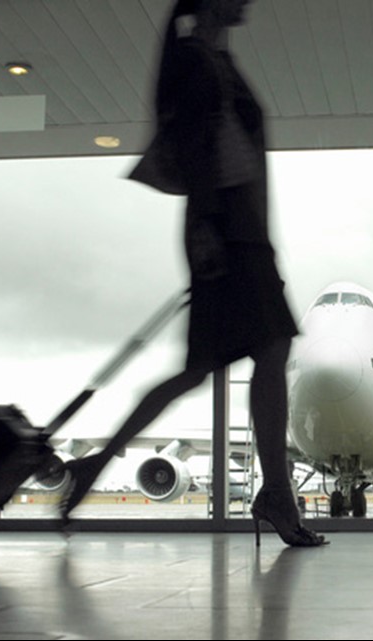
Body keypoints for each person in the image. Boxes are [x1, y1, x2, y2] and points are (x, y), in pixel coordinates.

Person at [59, 0, 325, 547]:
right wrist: (207, 227)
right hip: (225, 228)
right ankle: (276, 493)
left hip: (240, 230)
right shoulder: (192, 59)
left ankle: (97, 464)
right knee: (268, 351)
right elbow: (198, 146)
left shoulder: (213, 57)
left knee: (205, 367)